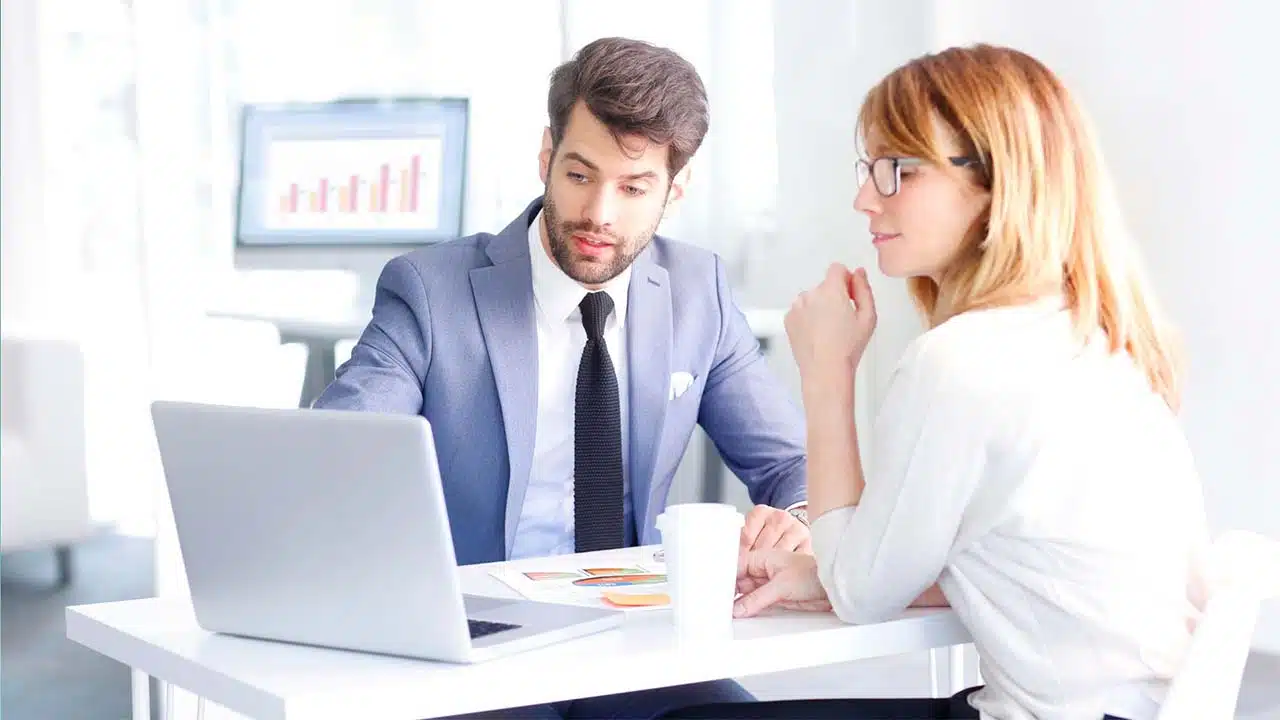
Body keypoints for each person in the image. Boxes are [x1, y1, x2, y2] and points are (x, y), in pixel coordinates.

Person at [662, 44, 1210, 720]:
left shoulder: (960, 362)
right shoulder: (1103, 339)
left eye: (897, 170)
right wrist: (819, 572)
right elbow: (1037, 573)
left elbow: (862, 593)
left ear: (993, 183)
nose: (866, 197)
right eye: (869, 169)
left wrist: (828, 374)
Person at [314, 36, 812, 718]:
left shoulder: (700, 292)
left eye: (634, 188)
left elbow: (791, 463)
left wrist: (796, 522)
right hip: (477, 647)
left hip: (634, 643)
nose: (600, 215)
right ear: (546, 157)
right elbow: (337, 457)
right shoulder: (431, 292)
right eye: (580, 176)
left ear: (676, 188)